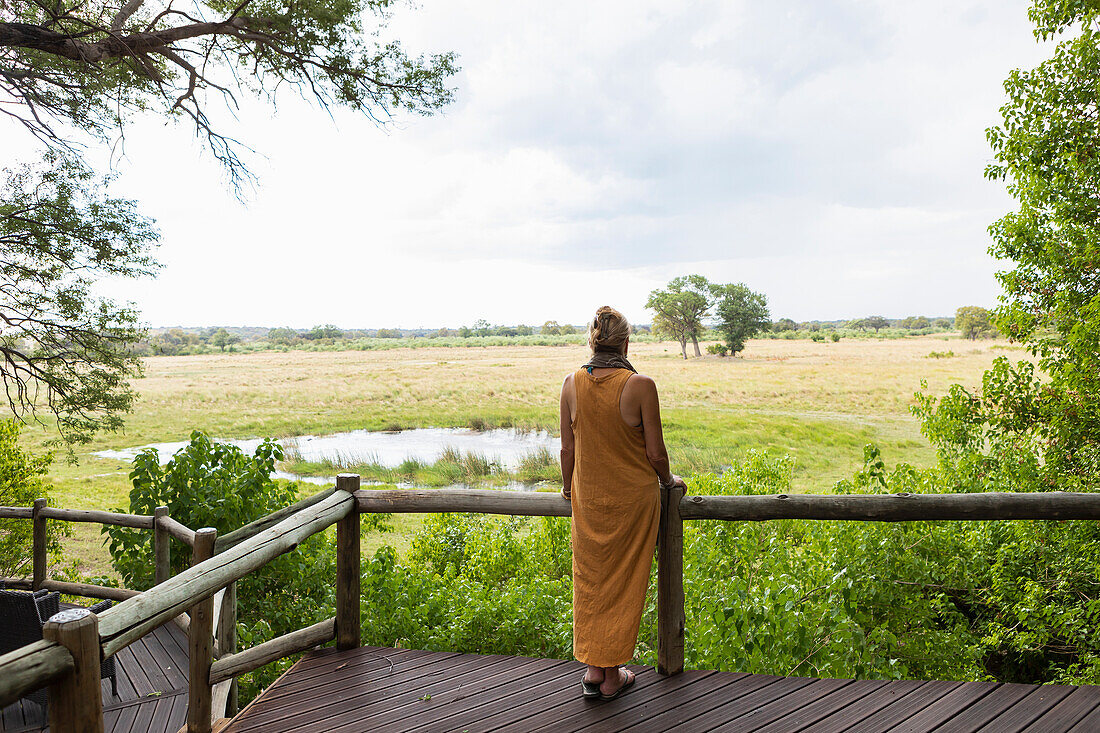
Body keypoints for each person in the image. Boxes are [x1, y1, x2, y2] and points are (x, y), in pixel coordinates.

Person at [559, 305, 687, 701]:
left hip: (588, 501)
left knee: (591, 582)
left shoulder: (570, 383)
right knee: (624, 584)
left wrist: (568, 489)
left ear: (593, 341)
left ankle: (595, 670)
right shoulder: (640, 385)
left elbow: (567, 449)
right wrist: (669, 481)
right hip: (632, 503)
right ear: (627, 342)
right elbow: (656, 453)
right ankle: (612, 677)